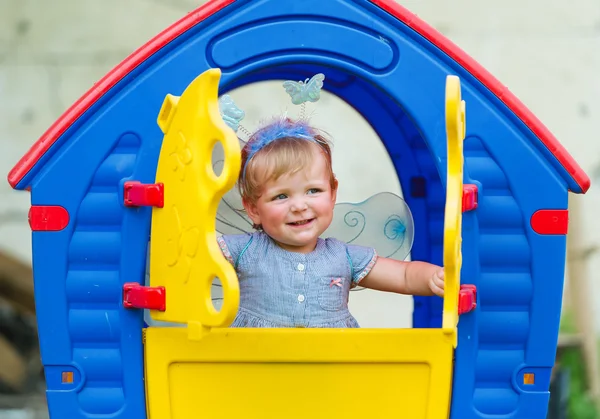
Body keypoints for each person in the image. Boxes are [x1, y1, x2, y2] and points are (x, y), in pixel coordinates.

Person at [217, 116, 445, 328]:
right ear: (254, 209)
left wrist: (433, 277)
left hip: (330, 366)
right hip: (255, 365)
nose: (299, 206)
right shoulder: (245, 249)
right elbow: (195, 254)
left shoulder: (343, 257)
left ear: (333, 193)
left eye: (313, 190)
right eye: (281, 196)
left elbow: (403, 276)